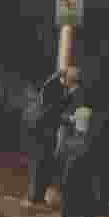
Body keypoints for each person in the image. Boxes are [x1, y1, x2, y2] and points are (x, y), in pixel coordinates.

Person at [23, 67, 83, 206]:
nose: (74, 86)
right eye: (74, 82)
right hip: (40, 130)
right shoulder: (53, 87)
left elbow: (55, 111)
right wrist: (68, 119)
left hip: (46, 130)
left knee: (46, 163)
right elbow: (52, 111)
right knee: (39, 163)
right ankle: (34, 198)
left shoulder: (58, 86)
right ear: (68, 80)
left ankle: (38, 197)